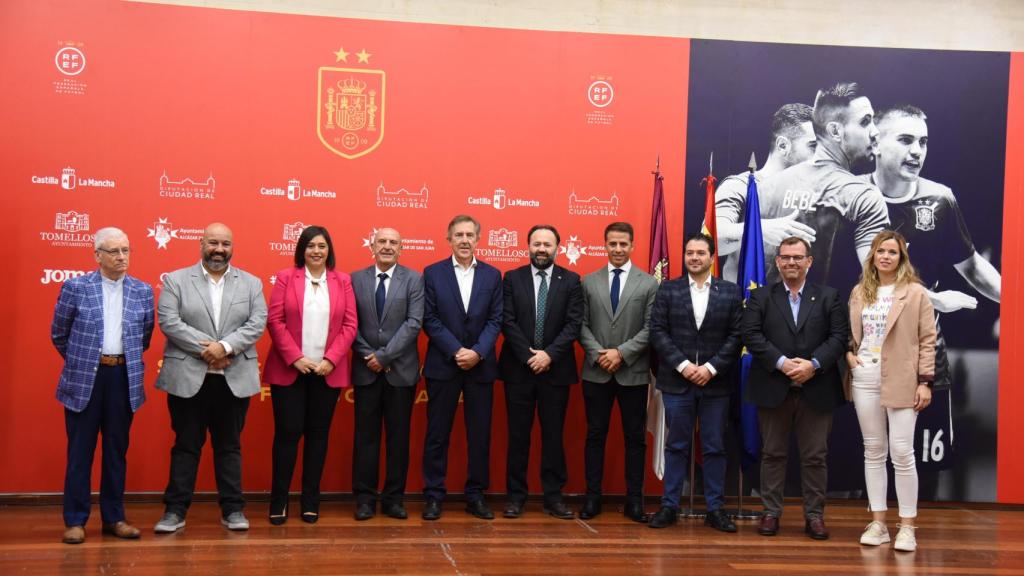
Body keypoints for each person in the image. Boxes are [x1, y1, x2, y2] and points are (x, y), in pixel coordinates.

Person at [868, 106, 1002, 477]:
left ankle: (912, 530)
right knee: (867, 460)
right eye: (906, 140)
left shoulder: (940, 199)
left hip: (924, 356)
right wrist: (932, 299)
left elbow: (973, 266)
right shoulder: (853, 195)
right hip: (865, 354)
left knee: (923, 465)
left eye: (923, 142)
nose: (917, 151)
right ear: (875, 143)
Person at [153, 223, 267, 533]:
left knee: (229, 447)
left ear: (232, 246)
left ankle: (233, 510)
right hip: (188, 377)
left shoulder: (252, 283)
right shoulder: (176, 280)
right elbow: (169, 322)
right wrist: (210, 349)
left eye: (225, 244)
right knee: (186, 446)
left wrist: (226, 347)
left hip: (233, 378)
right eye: (213, 243)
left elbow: (257, 323)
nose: (219, 249)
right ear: (201, 243)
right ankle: (174, 512)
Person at [51, 228, 154, 544]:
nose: (121, 257)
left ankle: (114, 518)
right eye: (113, 251)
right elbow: (59, 334)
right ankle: (75, 520)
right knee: (80, 452)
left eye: (125, 250)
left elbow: (144, 337)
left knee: (116, 451)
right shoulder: (76, 287)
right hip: (85, 379)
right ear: (97, 255)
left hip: (122, 378)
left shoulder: (143, 291)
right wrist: (84, 362)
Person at [742, 236, 848, 540]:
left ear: (809, 261)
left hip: (817, 389)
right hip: (773, 386)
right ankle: (770, 513)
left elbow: (839, 337)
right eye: (786, 257)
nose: (791, 262)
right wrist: (782, 363)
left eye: (798, 257)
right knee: (773, 454)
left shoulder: (829, 296)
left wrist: (812, 365)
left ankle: (814, 516)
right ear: (777, 261)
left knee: (815, 457)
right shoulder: (761, 297)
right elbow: (750, 334)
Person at [647, 233, 744, 532]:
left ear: (712, 257)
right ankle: (669, 506)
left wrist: (711, 368)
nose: (694, 257)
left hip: (715, 384)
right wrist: (686, 366)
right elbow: (658, 332)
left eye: (700, 252)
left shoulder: (730, 291)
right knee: (676, 446)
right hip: (678, 382)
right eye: (689, 252)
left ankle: (716, 509)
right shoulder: (668, 289)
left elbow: (737, 335)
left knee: (714, 447)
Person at [847, 230, 936, 552]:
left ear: (901, 258)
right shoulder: (860, 292)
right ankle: (879, 523)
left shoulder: (915, 293)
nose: (886, 256)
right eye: (881, 251)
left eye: (893, 252)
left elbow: (928, 339)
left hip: (902, 377)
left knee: (902, 453)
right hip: (864, 376)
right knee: (873, 450)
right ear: (872, 255)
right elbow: (850, 333)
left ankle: (908, 526)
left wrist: (925, 381)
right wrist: (850, 356)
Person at [263, 225, 357, 524]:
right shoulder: (286, 277)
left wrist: (331, 359)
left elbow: (350, 326)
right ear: (302, 250)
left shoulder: (342, 281)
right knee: (286, 437)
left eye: (322, 246)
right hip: (290, 371)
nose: (317, 251)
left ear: (329, 250)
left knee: (318, 438)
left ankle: (310, 501)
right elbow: (275, 321)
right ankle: (278, 501)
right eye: (311, 245)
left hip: (327, 372)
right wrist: (296, 358)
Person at [757, 82, 890, 285]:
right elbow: (881, 277)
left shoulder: (767, 187)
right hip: (830, 316)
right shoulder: (863, 196)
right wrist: (932, 298)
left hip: (768, 314)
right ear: (835, 131)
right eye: (865, 122)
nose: (875, 132)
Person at [421, 215, 503, 521]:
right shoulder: (432, 273)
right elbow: (429, 319)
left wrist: (478, 352)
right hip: (444, 363)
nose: (465, 240)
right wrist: (457, 350)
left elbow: (497, 319)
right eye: (459, 235)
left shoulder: (493, 276)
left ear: (479, 239)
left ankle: (476, 494)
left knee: (479, 434)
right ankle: (433, 495)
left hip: (480, 367)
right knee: (437, 434)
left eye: (470, 234)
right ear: (449, 238)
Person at [499, 225, 583, 520]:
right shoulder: (512, 278)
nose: (542, 249)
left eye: (547, 244)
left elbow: (574, 324)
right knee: (518, 436)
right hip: (519, 370)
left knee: (553, 437)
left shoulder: (572, 281)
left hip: (555, 370)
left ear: (557, 248)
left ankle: (553, 497)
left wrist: (548, 355)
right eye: (537, 244)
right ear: (528, 246)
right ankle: (515, 497)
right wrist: (529, 356)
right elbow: (507, 321)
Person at [577, 221, 658, 522]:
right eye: (612, 243)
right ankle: (592, 498)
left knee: (634, 438)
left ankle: (634, 501)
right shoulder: (588, 281)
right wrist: (600, 354)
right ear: (605, 245)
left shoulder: (648, 283)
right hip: (596, 371)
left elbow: (651, 328)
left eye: (623, 244)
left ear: (632, 245)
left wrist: (621, 354)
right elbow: (580, 325)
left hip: (632, 373)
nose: (618, 249)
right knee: (595, 435)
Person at [351, 228, 424, 521]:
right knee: (365, 439)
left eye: (394, 242)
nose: (387, 246)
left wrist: (383, 356)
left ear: (401, 247)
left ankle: (394, 499)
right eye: (382, 241)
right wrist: (369, 355)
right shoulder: (355, 279)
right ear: (372, 245)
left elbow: (414, 323)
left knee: (398, 439)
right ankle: (365, 499)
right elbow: (348, 322)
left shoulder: (414, 279)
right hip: (365, 369)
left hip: (400, 372)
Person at [714, 103, 819, 282]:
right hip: (744, 305)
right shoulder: (739, 186)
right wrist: (761, 228)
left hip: (789, 306)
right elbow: (711, 238)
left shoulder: (812, 195)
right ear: (783, 145)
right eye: (813, 146)